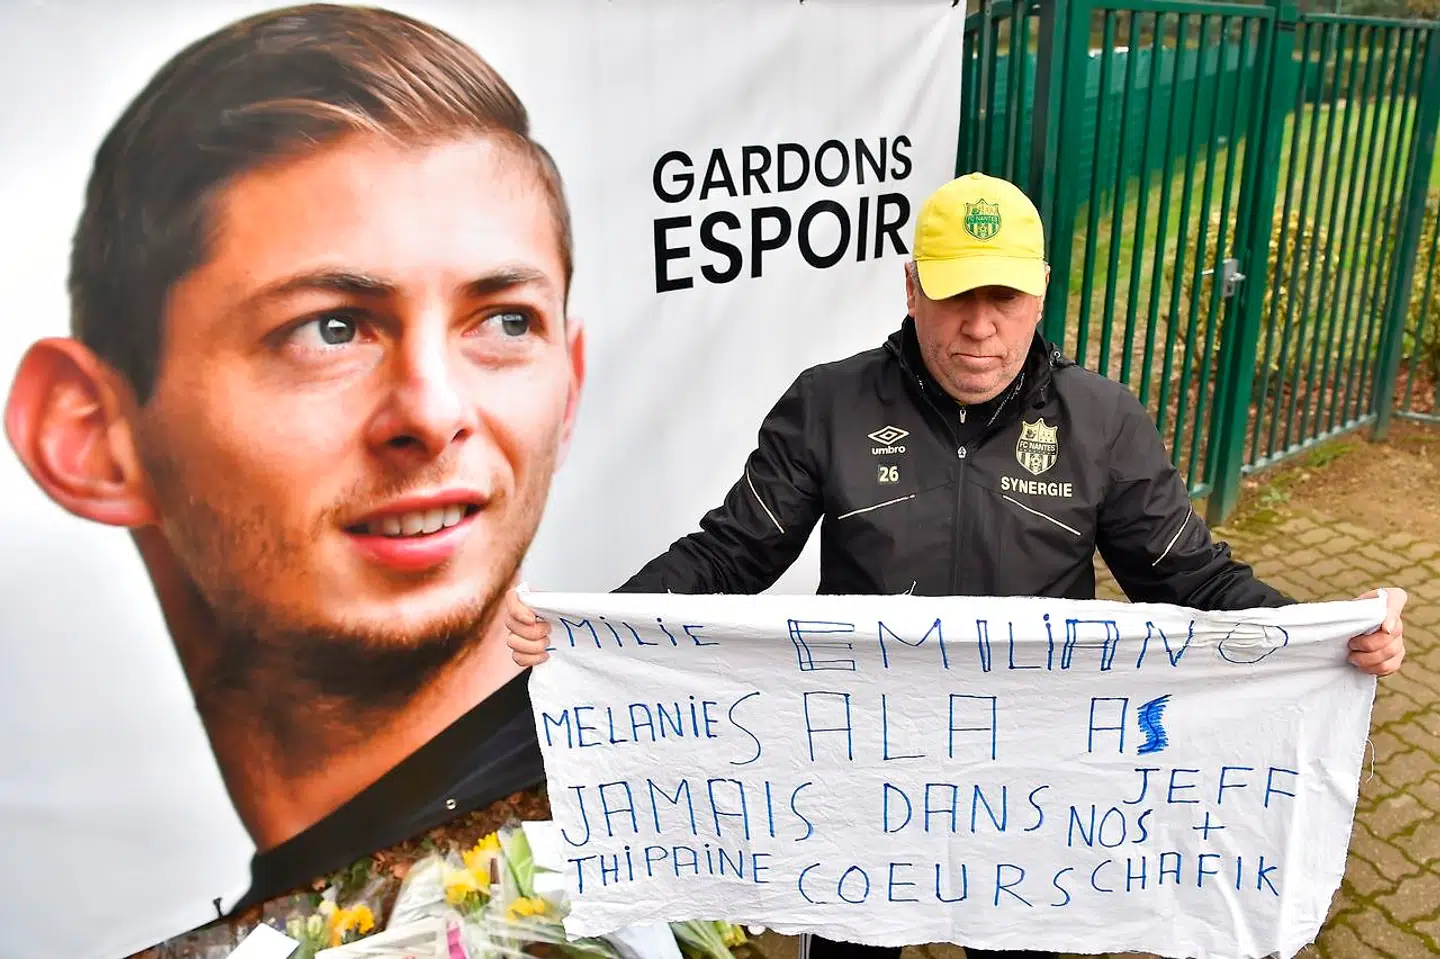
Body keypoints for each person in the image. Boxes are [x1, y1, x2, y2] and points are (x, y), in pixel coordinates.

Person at [503, 171, 1407, 959]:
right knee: (852, 953)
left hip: (1035, 781)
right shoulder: (830, 403)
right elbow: (736, 548)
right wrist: (594, 623)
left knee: (1015, 954)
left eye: (1004, 298)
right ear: (911, 289)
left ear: (1042, 295)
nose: (978, 328)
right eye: (954, 295)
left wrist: (1325, 634)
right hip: (856, 771)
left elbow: (1189, 574)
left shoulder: (1102, 423)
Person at [4, 3, 583, 910]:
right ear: (88, 435)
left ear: (570, 383)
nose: (434, 413)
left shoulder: (718, 828)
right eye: (330, 329)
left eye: (505, 321)